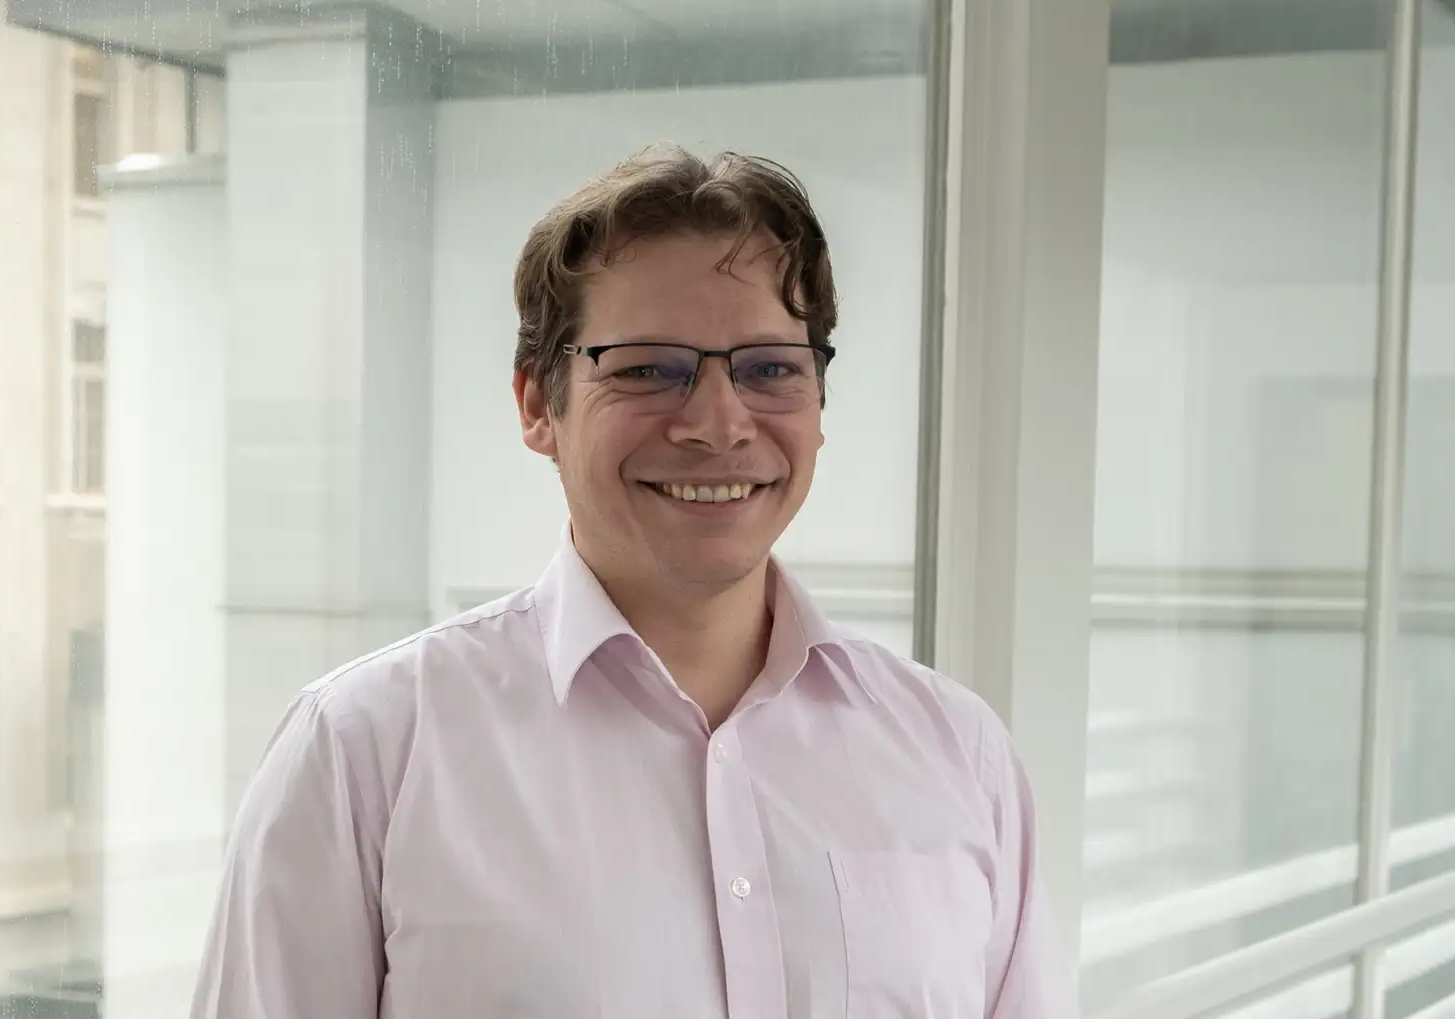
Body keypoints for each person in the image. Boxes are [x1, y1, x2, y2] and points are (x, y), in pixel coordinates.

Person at [190, 146, 1079, 1019]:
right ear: (539, 404)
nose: (718, 423)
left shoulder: (960, 755)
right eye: (650, 368)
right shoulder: (363, 751)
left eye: (771, 368)